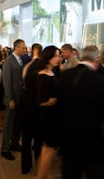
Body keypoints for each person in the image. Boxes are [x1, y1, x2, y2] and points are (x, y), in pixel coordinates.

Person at [57, 45, 104, 179]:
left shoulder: (65, 76)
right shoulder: (99, 80)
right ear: (97, 60)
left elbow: (58, 108)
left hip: (68, 138)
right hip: (92, 140)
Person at [35, 46, 61, 179]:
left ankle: (47, 175)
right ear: (48, 57)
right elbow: (40, 101)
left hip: (52, 115)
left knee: (47, 149)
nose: (58, 58)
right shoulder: (42, 76)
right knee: (49, 148)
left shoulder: (52, 72)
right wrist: (54, 100)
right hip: (47, 116)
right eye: (56, 56)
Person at [1, 39, 27, 160]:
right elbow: (7, 82)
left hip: (20, 96)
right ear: (16, 48)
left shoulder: (20, 60)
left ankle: (14, 143)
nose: (25, 49)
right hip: (12, 97)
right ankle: (5, 148)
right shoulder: (8, 61)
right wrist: (10, 98)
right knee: (8, 123)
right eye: (23, 47)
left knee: (17, 123)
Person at [20, 43, 43, 174]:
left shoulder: (26, 66)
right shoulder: (43, 67)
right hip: (38, 107)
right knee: (39, 140)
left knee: (26, 139)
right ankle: (39, 168)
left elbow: (23, 84)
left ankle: (25, 167)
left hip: (26, 106)